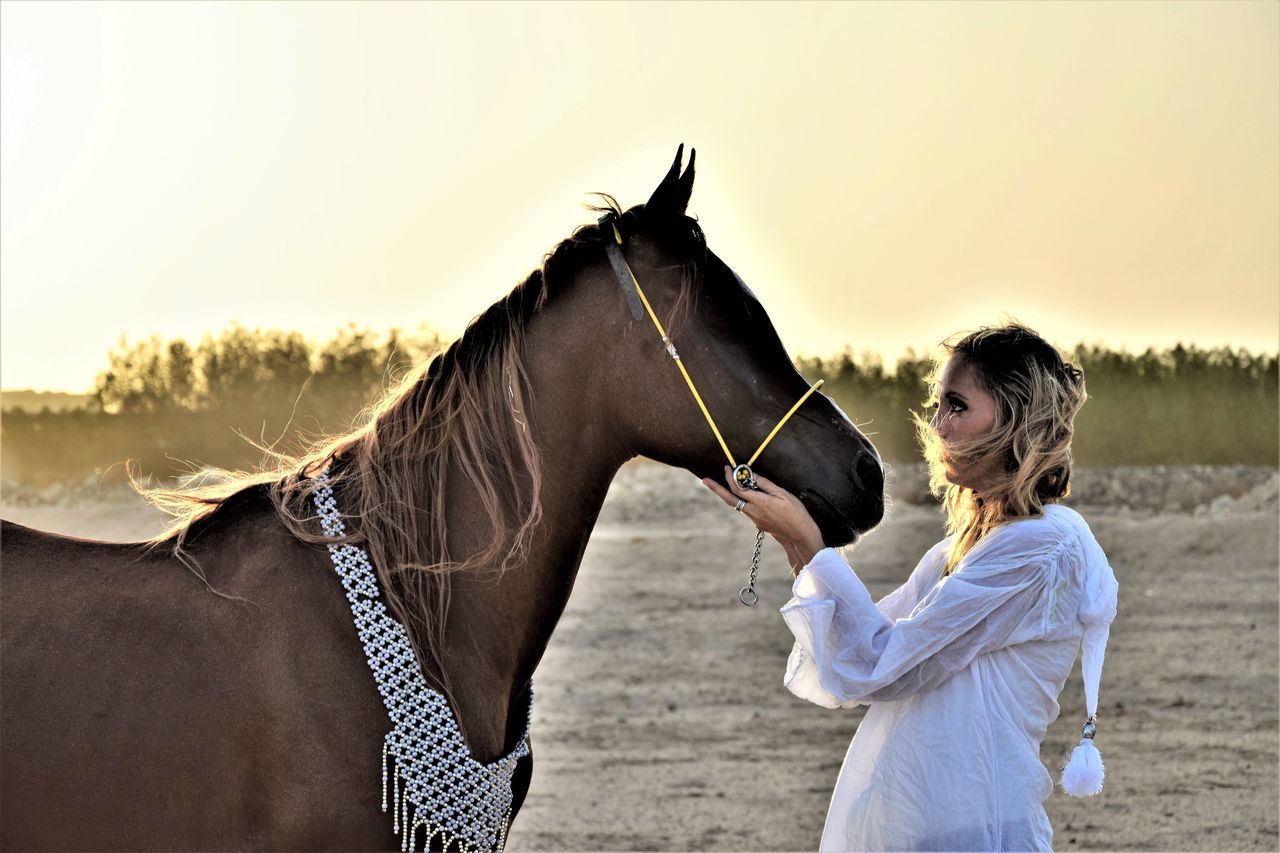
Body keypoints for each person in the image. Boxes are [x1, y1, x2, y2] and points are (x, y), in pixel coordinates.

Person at [703, 323, 1118, 852]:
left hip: (977, 831)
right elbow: (855, 657)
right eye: (938, 404)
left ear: (1017, 418)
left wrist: (808, 546)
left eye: (958, 406)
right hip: (924, 827)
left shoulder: (1040, 551)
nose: (938, 425)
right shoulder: (960, 550)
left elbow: (883, 665)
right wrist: (797, 542)